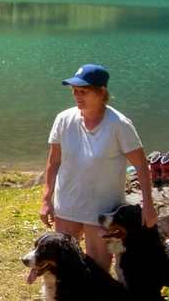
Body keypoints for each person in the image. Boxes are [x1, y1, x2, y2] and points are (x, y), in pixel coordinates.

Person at [40, 64, 157, 273]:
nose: (77, 96)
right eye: (74, 90)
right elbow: (53, 161)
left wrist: (148, 205)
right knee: (64, 269)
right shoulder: (63, 119)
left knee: (98, 273)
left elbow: (140, 164)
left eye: (83, 91)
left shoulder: (119, 124)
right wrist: (46, 199)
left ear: (101, 92)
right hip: (67, 205)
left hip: (101, 211)